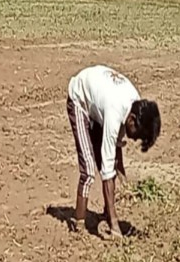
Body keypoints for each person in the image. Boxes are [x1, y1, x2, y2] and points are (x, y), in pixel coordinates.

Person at [66, 64, 161, 238]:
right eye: (137, 135)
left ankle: (106, 213)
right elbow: (108, 168)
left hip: (98, 102)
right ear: (131, 120)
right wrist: (115, 225)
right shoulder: (114, 113)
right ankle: (78, 224)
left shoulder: (135, 105)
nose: (133, 139)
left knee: (109, 167)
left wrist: (121, 169)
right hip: (80, 99)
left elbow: (116, 147)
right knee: (88, 170)